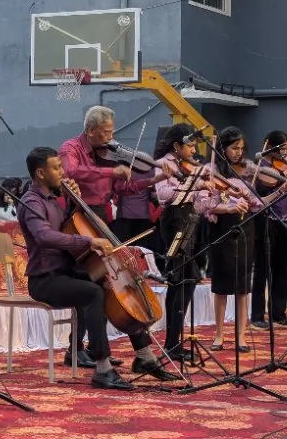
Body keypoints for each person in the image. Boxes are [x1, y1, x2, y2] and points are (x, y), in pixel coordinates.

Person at [17, 147, 173, 387]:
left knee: (108, 283)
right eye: (56, 168)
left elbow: (68, 226)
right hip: (45, 279)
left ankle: (145, 357)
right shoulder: (31, 202)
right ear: (40, 173)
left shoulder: (54, 199)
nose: (62, 171)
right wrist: (89, 241)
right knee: (93, 293)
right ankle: (102, 368)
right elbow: (45, 236)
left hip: (67, 270)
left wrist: (73, 204)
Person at [150, 125, 204, 360]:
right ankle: (172, 343)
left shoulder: (188, 166)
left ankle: (174, 341)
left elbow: (198, 201)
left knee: (184, 279)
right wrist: (193, 185)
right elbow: (164, 196)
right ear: (176, 146)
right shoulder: (165, 164)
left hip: (189, 218)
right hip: (173, 220)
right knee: (183, 278)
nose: (194, 149)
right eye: (190, 145)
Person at [201, 127, 255, 349]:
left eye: (241, 149)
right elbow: (206, 205)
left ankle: (241, 335)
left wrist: (279, 191)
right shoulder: (211, 170)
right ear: (222, 148)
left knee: (243, 286)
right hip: (222, 229)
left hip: (245, 227)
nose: (238, 153)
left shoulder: (247, 171)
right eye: (234, 148)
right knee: (221, 285)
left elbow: (257, 202)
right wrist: (228, 208)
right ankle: (219, 333)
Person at [249, 131, 287, 329]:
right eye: (280, 148)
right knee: (262, 269)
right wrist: (281, 179)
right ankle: (258, 315)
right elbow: (260, 190)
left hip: (285, 220)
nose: (284, 153)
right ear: (269, 146)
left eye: (286, 149)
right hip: (266, 219)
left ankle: (279, 313)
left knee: (281, 269)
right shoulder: (260, 166)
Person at [59, 105, 129, 225]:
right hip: (80, 210)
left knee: (109, 244)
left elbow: (116, 188)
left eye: (112, 132)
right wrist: (111, 172)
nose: (111, 137)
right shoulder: (70, 148)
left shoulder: (106, 152)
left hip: (102, 210)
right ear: (91, 131)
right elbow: (71, 171)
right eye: (106, 132)